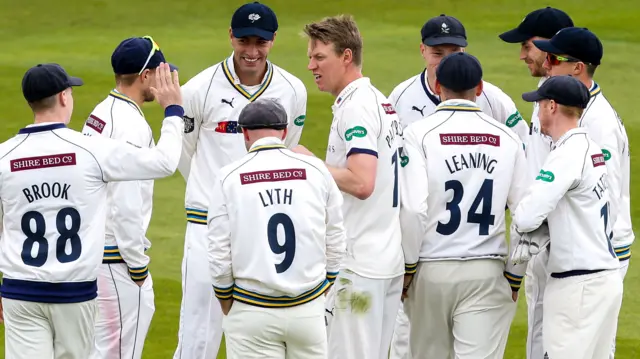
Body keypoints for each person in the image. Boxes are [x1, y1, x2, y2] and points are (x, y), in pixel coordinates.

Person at [0, 62, 184, 359]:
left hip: (20, 292)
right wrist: (173, 111)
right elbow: (163, 163)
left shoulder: (4, 157)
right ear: (64, 97)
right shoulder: (92, 151)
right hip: (75, 293)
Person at [387, 14, 531, 358]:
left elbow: (412, 208)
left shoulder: (417, 134)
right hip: (488, 268)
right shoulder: (508, 138)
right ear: (478, 89)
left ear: (439, 88)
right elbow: (528, 214)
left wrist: (406, 269)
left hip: (430, 267)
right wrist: (514, 274)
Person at [173, 2, 308, 358]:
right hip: (207, 226)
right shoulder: (199, 89)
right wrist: (217, 197)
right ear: (230, 36)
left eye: (260, 42)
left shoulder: (293, 90)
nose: (252, 51)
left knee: (258, 332)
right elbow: (185, 154)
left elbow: (285, 149)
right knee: (198, 336)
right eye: (244, 40)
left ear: (273, 40)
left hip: (263, 229)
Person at [294, 14, 404, 359]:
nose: (311, 65)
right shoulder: (380, 101)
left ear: (346, 56)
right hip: (387, 262)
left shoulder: (356, 107)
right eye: (310, 57)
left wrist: (309, 162)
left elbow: (361, 181)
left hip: (358, 270)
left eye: (319, 57)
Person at [208, 98, 346, 359]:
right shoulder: (315, 169)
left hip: (252, 309)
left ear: (245, 134)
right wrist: (324, 284)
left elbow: (218, 250)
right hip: (307, 308)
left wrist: (226, 298)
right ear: (284, 132)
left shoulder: (229, 176)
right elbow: (336, 235)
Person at [532, 27, 633, 359]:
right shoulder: (574, 107)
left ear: (578, 68)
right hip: (582, 249)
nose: (547, 64)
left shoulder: (598, 123)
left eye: (554, 58)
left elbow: (609, 192)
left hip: (598, 252)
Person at [513, 75, 623, 359]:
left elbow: (525, 217)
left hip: (577, 286)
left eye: (538, 106)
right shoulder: (592, 149)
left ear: (551, 106)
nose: (536, 113)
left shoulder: (567, 154)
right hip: (604, 279)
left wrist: (534, 225)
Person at [81, 36, 177, 359]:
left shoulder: (100, 111)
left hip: (91, 255)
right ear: (145, 76)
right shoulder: (132, 126)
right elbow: (126, 204)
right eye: (160, 74)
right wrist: (137, 265)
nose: (165, 83)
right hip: (115, 262)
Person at [498, 7, 574, 359]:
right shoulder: (547, 95)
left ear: (549, 50)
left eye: (527, 46)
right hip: (548, 244)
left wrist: (526, 241)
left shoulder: (568, 106)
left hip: (559, 247)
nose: (522, 55)